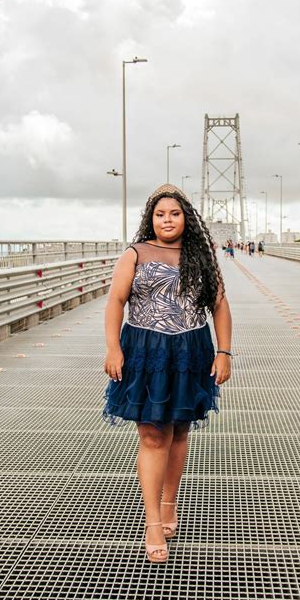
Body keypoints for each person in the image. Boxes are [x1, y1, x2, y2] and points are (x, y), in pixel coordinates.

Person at [103, 183, 232, 563]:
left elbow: (220, 306)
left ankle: (170, 500)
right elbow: (115, 301)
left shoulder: (203, 256)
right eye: (160, 214)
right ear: (150, 219)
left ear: (186, 218)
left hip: (190, 349)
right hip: (144, 350)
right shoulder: (135, 253)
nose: (167, 219)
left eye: (174, 213)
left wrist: (223, 352)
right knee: (152, 433)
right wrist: (113, 348)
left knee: (177, 429)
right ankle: (153, 520)